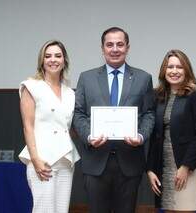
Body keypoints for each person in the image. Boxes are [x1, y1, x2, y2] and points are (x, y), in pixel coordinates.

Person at [73, 27, 155, 213]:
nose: (115, 49)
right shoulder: (87, 78)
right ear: (102, 49)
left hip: (130, 161)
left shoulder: (143, 78)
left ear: (127, 47)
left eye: (120, 44)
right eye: (109, 45)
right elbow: (78, 114)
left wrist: (141, 136)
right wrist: (89, 136)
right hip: (96, 160)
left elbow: (149, 113)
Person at [18, 40, 80, 213]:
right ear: (42, 61)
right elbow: (28, 127)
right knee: (43, 210)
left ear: (64, 60)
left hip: (66, 159)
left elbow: (67, 127)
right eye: (48, 56)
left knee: (61, 210)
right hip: (42, 159)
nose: (53, 60)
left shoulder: (70, 93)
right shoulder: (31, 86)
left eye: (58, 56)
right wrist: (35, 159)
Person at [147, 49, 196, 213]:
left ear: (186, 70)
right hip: (164, 167)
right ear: (164, 71)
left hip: (189, 167)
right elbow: (155, 137)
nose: (174, 71)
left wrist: (185, 166)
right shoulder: (158, 96)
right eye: (170, 67)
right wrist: (150, 169)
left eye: (179, 67)